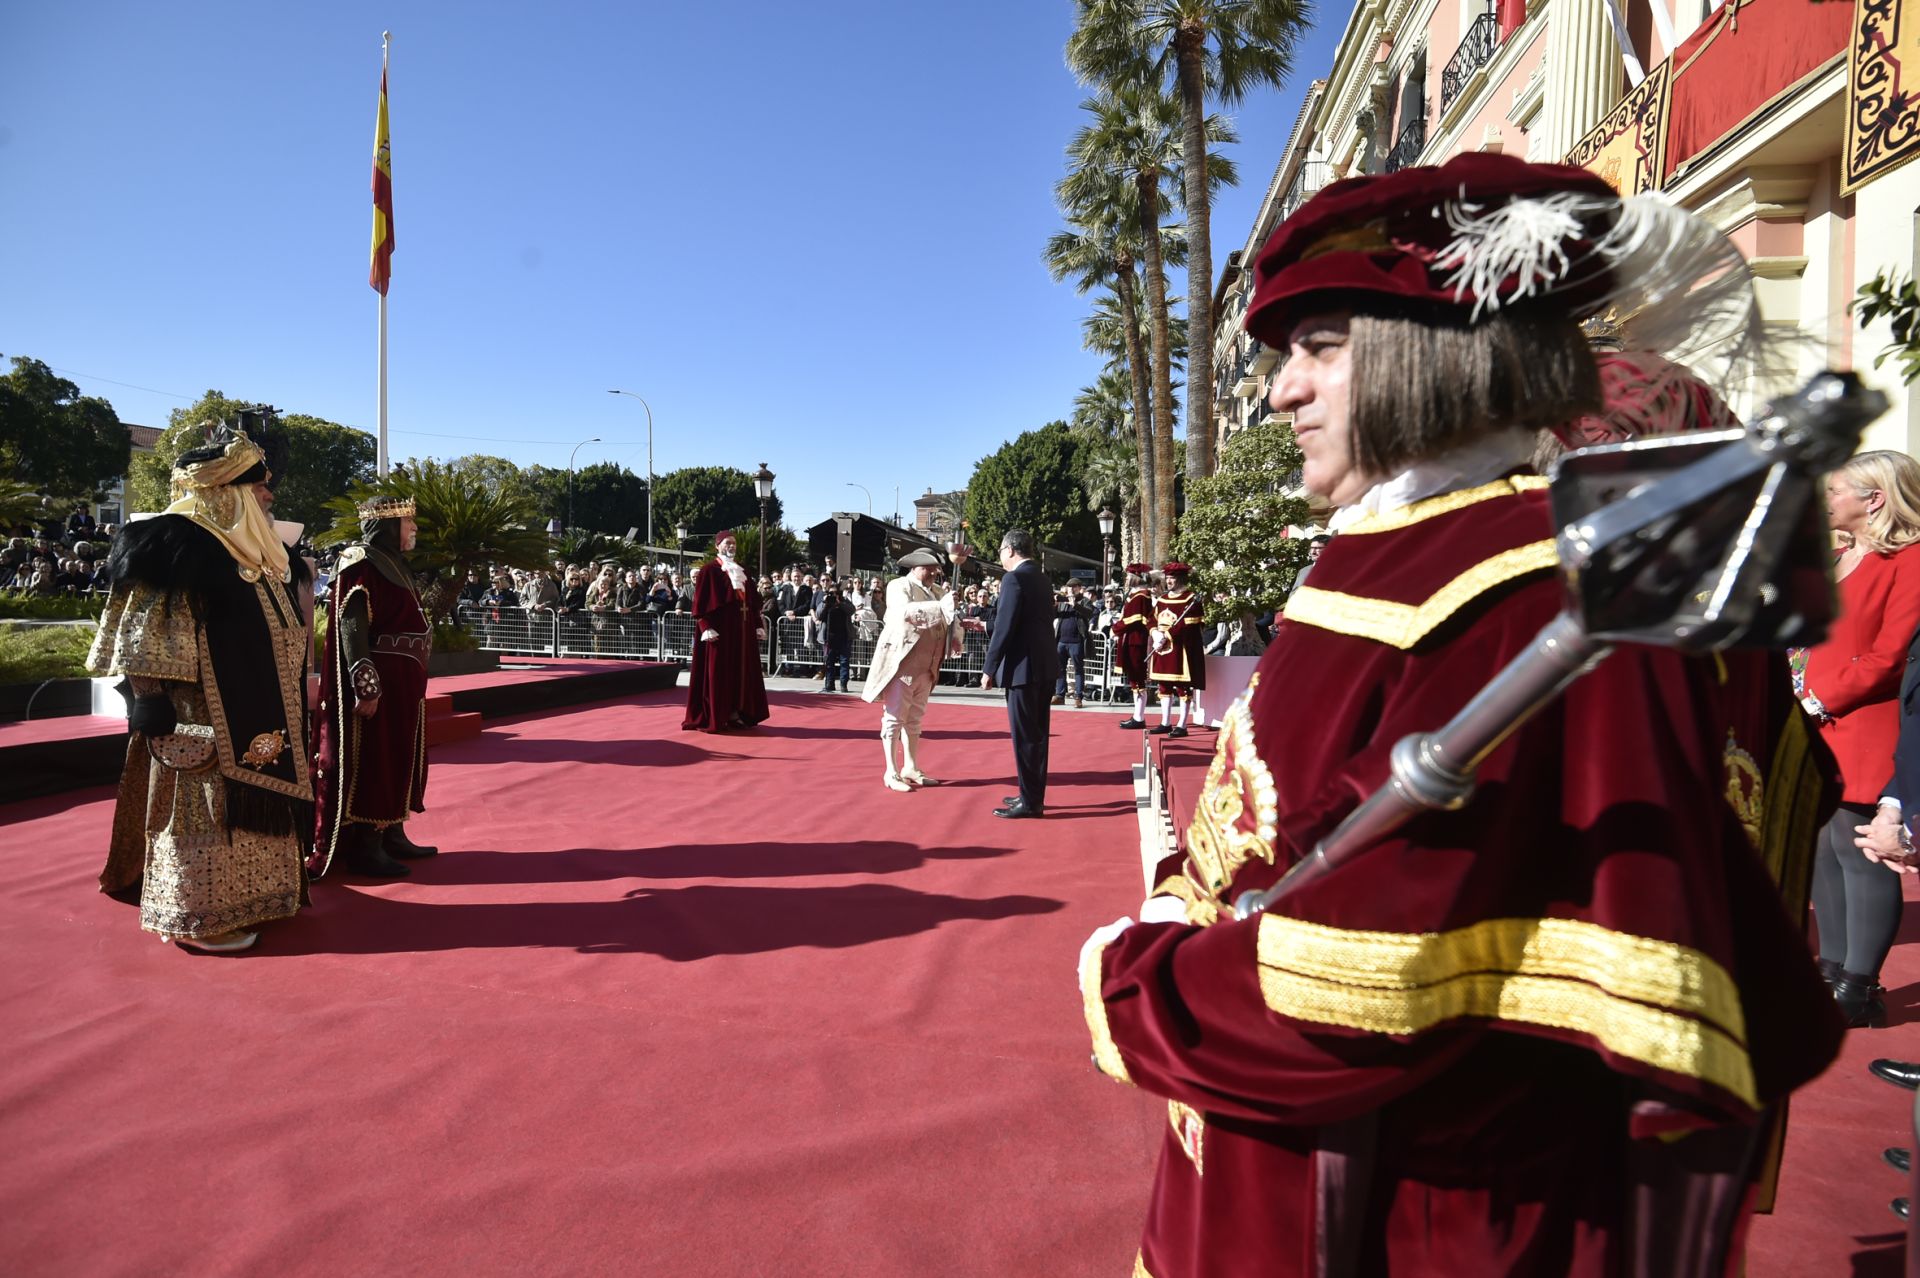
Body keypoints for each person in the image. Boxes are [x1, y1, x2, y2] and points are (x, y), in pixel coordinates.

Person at [1077, 152, 1843, 1277]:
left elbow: (1378, 979)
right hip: (1292, 1155)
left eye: (1317, 350)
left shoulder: (1531, 587)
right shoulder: (1424, 544)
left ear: (1419, 353)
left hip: (1417, 1206)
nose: (1282, 391)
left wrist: (1136, 983)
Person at [87, 419, 311, 953]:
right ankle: (198, 916)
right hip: (199, 718)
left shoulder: (256, 552)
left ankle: (262, 896)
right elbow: (145, 628)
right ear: (223, 490)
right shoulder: (176, 547)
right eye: (257, 485)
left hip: (262, 711)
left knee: (258, 801)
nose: (268, 494)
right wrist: (148, 700)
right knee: (202, 811)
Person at [1799, 450, 1920, 1025]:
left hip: (1865, 722)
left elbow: (1891, 657)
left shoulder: (1911, 560)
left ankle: (1860, 988)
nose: (1826, 501)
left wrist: (1821, 698)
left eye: (1835, 491)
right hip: (1819, 723)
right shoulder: (1844, 555)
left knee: (1862, 850)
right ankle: (1830, 972)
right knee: (1825, 846)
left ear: (1874, 500)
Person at [310, 494, 437, 879]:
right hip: (381, 681)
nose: (414, 528)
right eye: (407, 521)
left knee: (402, 757)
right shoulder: (361, 563)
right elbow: (353, 628)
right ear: (387, 525)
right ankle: (368, 845)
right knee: (377, 760)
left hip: (407, 683)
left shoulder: (396, 564)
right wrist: (366, 685)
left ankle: (393, 831)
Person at [861, 549, 978, 790]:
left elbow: (950, 618)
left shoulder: (938, 591)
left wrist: (956, 635)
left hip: (927, 666)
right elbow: (905, 613)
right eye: (929, 566)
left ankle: (911, 766)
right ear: (915, 567)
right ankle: (891, 771)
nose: (935, 571)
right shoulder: (898, 586)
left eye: (936, 567)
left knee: (914, 719)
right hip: (901, 662)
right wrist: (943, 606)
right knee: (894, 718)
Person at [981, 530, 1057, 818]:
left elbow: (1006, 626)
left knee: (1025, 736)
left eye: (1001, 549)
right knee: (1037, 736)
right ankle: (1031, 794)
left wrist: (989, 668)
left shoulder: (1013, 578)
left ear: (1010, 550)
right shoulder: (1041, 577)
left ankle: (1031, 802)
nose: (999, 555)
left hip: (1023, 669)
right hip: (1044, 665)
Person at [683, 531, 769, 732]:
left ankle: (736, 712)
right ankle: (717, 715)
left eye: (734, 544)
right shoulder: (709, 571)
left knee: (741, 674)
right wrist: (706, 627)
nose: (732, 546)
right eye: (727, 543)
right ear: (717, 546)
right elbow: (700, 605)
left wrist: (757, 625)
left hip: (743, 635)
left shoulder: (743, 570)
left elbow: (752, 604)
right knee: (719, 675)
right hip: (720, 634)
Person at [1146, 562, 1205, 738]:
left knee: (1183, 687)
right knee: (1163, 685)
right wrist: (1156, 633)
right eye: (1167, 578)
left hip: (1181, 650)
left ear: (1180, 579)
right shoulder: (1163, 599)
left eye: (1172, 578)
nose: (1168, 581)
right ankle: (1165, 722)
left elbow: (1190, 625)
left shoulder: (1191, 599)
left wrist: (1168, 636)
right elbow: (1151, 619)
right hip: (1162, 648)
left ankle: (1182, 724)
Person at [1112, 564, 1155, 729]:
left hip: (1136, 641)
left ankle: (1139, 717)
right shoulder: (1136, 595)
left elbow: (1133, 619)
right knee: (1135, 680)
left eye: (1129, 576)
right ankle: (1137, 715)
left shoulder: (1141, 596)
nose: (1127, 579)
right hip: (1131, 640)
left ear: (1137, 577)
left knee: (1138, 679)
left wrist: (1115, 628)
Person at [1053, 581, 1094, 709]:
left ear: (1079, 588)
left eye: (1073, 587)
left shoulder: (1084, 601)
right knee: (1059, 668)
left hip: (1076, 641)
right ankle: (1060, 695)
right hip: (1061, 640)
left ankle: (1078, 696)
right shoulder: (1063, 601)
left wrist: (1075, 605)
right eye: (1069, 587)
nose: (1071, 589)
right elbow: (1055, 616)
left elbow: (1089, 613)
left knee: (1078, 669)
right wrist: (1054, 605)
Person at [813, 578, 856, 693]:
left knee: (844, 661)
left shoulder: (844, 601)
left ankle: (843, 685)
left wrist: (840, 603)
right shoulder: (825, 602)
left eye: (836, 593)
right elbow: (819, 616)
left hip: (844, 636)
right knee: (829, 662)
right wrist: (825, 603)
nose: (834, 595)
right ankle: (829, 684)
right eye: (831, 593)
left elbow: (852, 610)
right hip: (828, 637)